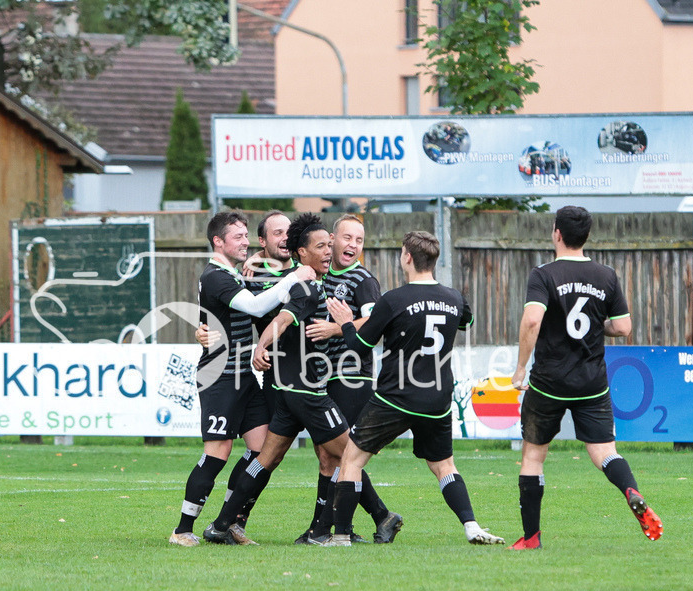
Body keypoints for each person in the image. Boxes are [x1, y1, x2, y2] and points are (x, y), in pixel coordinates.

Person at [323, 230, 505, 547]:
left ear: (407, 257)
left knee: (350, 460)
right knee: (444, 466)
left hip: (396, 397)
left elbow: (359, 346)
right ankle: (472, 526)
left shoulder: (393, 300)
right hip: (437, 398)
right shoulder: (455, 298)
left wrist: (346, 321)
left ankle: (339, 537)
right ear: (433, 260)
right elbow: (467, 321)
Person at [508, 206, 662, 549]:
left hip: (548, 381)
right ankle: (629, 489)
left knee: (533, 455)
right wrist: (597, 325)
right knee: (605, 452)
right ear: (586, 236)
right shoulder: (605, 275)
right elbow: (622, 327)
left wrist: (520, 369)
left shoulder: (543, 274)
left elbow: (533, 321)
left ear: (556, 233)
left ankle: (531, 537)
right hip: (591, 381)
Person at [203, 213, 351, 545]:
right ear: (301, 251)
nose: (329, 251)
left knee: (268, 458)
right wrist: (261, 345)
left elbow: (267, 287)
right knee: (349, 454)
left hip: (286, 389)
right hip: (304, 390)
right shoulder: (301, 286)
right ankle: (330, 529)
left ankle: (222, 523)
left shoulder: (278, 277)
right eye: (321, 246)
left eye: (330, 244)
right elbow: (281, 319)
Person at [169, 211, 314, 546]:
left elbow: (268, 266)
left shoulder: (232, 273)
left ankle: (229, 522)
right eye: (237, 236)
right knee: (217, 453)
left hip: (244, 376)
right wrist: (294, 279)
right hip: (219, 375)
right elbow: (256, 306)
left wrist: (265, 262)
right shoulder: (217, 276)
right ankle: (182, 529)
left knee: (261, 449)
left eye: (247, 235)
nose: (245, 241)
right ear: (218, 241)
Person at [297, 214, 400, 544]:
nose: (353, 245)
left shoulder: (363, 279)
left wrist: (337, 327)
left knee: (341, 453)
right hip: (324, 375)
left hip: (352, 374)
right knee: (329, 454)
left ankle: (326, 528)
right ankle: (363, 520)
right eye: (347, 238)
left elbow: (374, 320)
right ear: (332, 238)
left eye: (359, 240)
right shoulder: (321, 275)